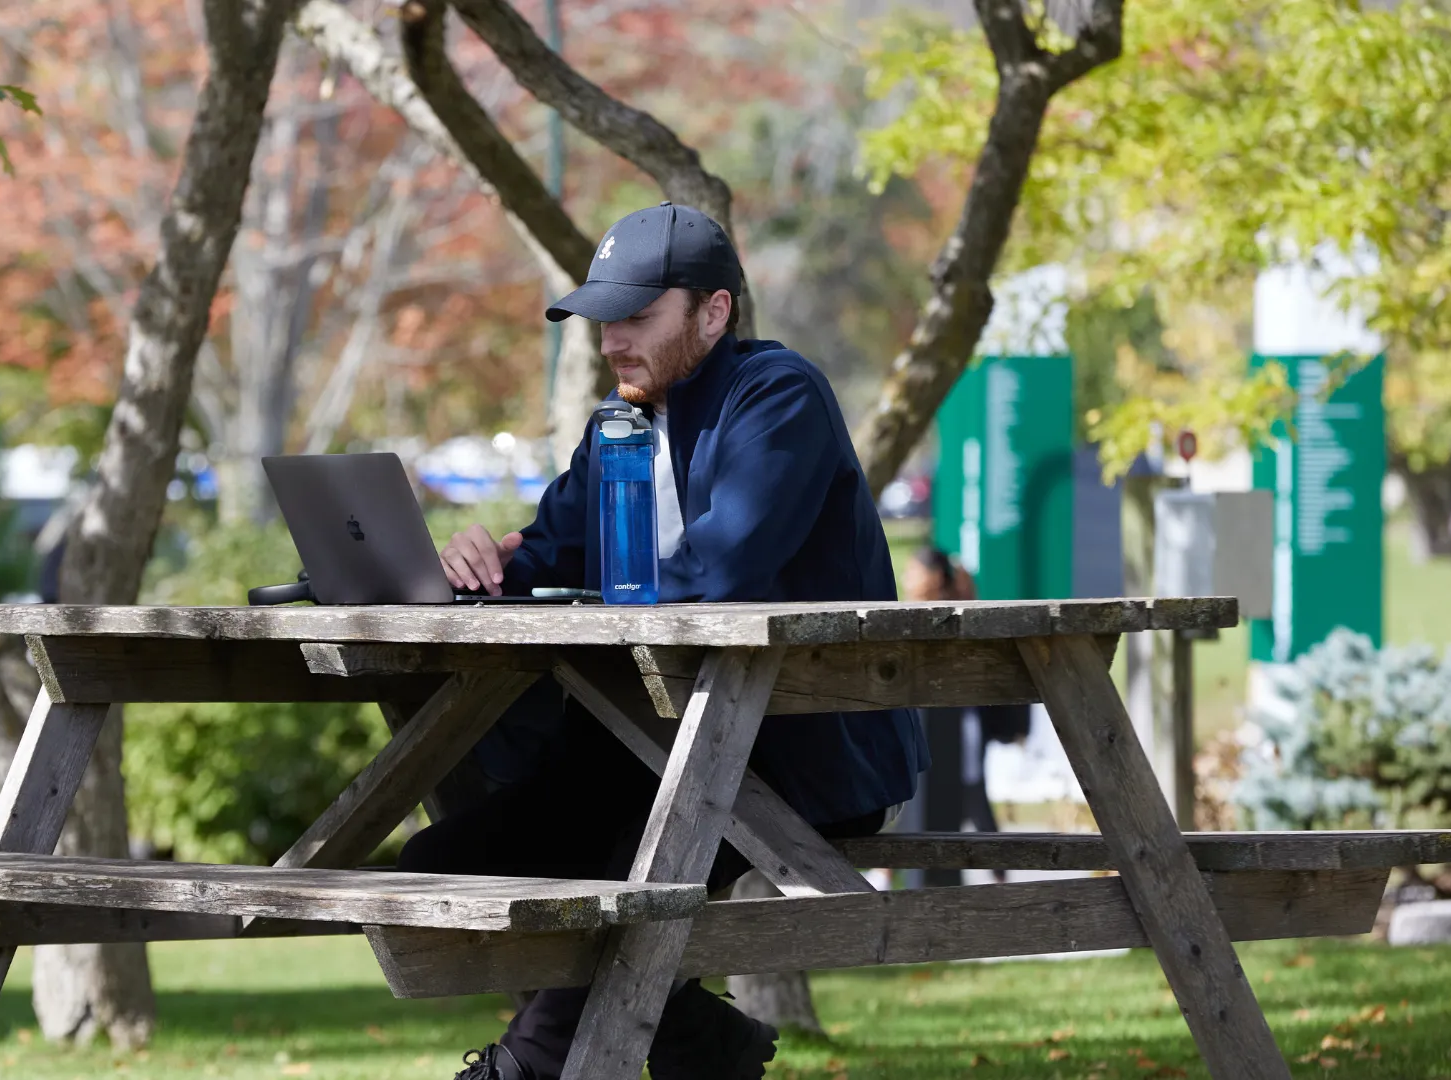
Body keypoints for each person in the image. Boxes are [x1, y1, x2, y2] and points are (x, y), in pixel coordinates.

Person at [416, 202, 928, 1080]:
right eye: (605, 320)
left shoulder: (778, 397)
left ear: (714, 312)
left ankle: (522, 1071)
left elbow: (724, 566)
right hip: (650, 747)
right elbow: (542, 559)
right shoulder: (617, 424)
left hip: (799, 755)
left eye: (638, 317)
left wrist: (579, 593)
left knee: (632, 876)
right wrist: (474, 564)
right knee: (445, 862)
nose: (613, 341)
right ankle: (709, 1047)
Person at [901, 547, 1030, 886]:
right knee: (958, 800)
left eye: (914, 571)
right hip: (936, 726)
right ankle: (996, 873)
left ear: (935, 578)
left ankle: (998, 873)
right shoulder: (913, 611)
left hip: (957, 726)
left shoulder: (950, 612)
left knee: (970, 795)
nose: (906, 579)